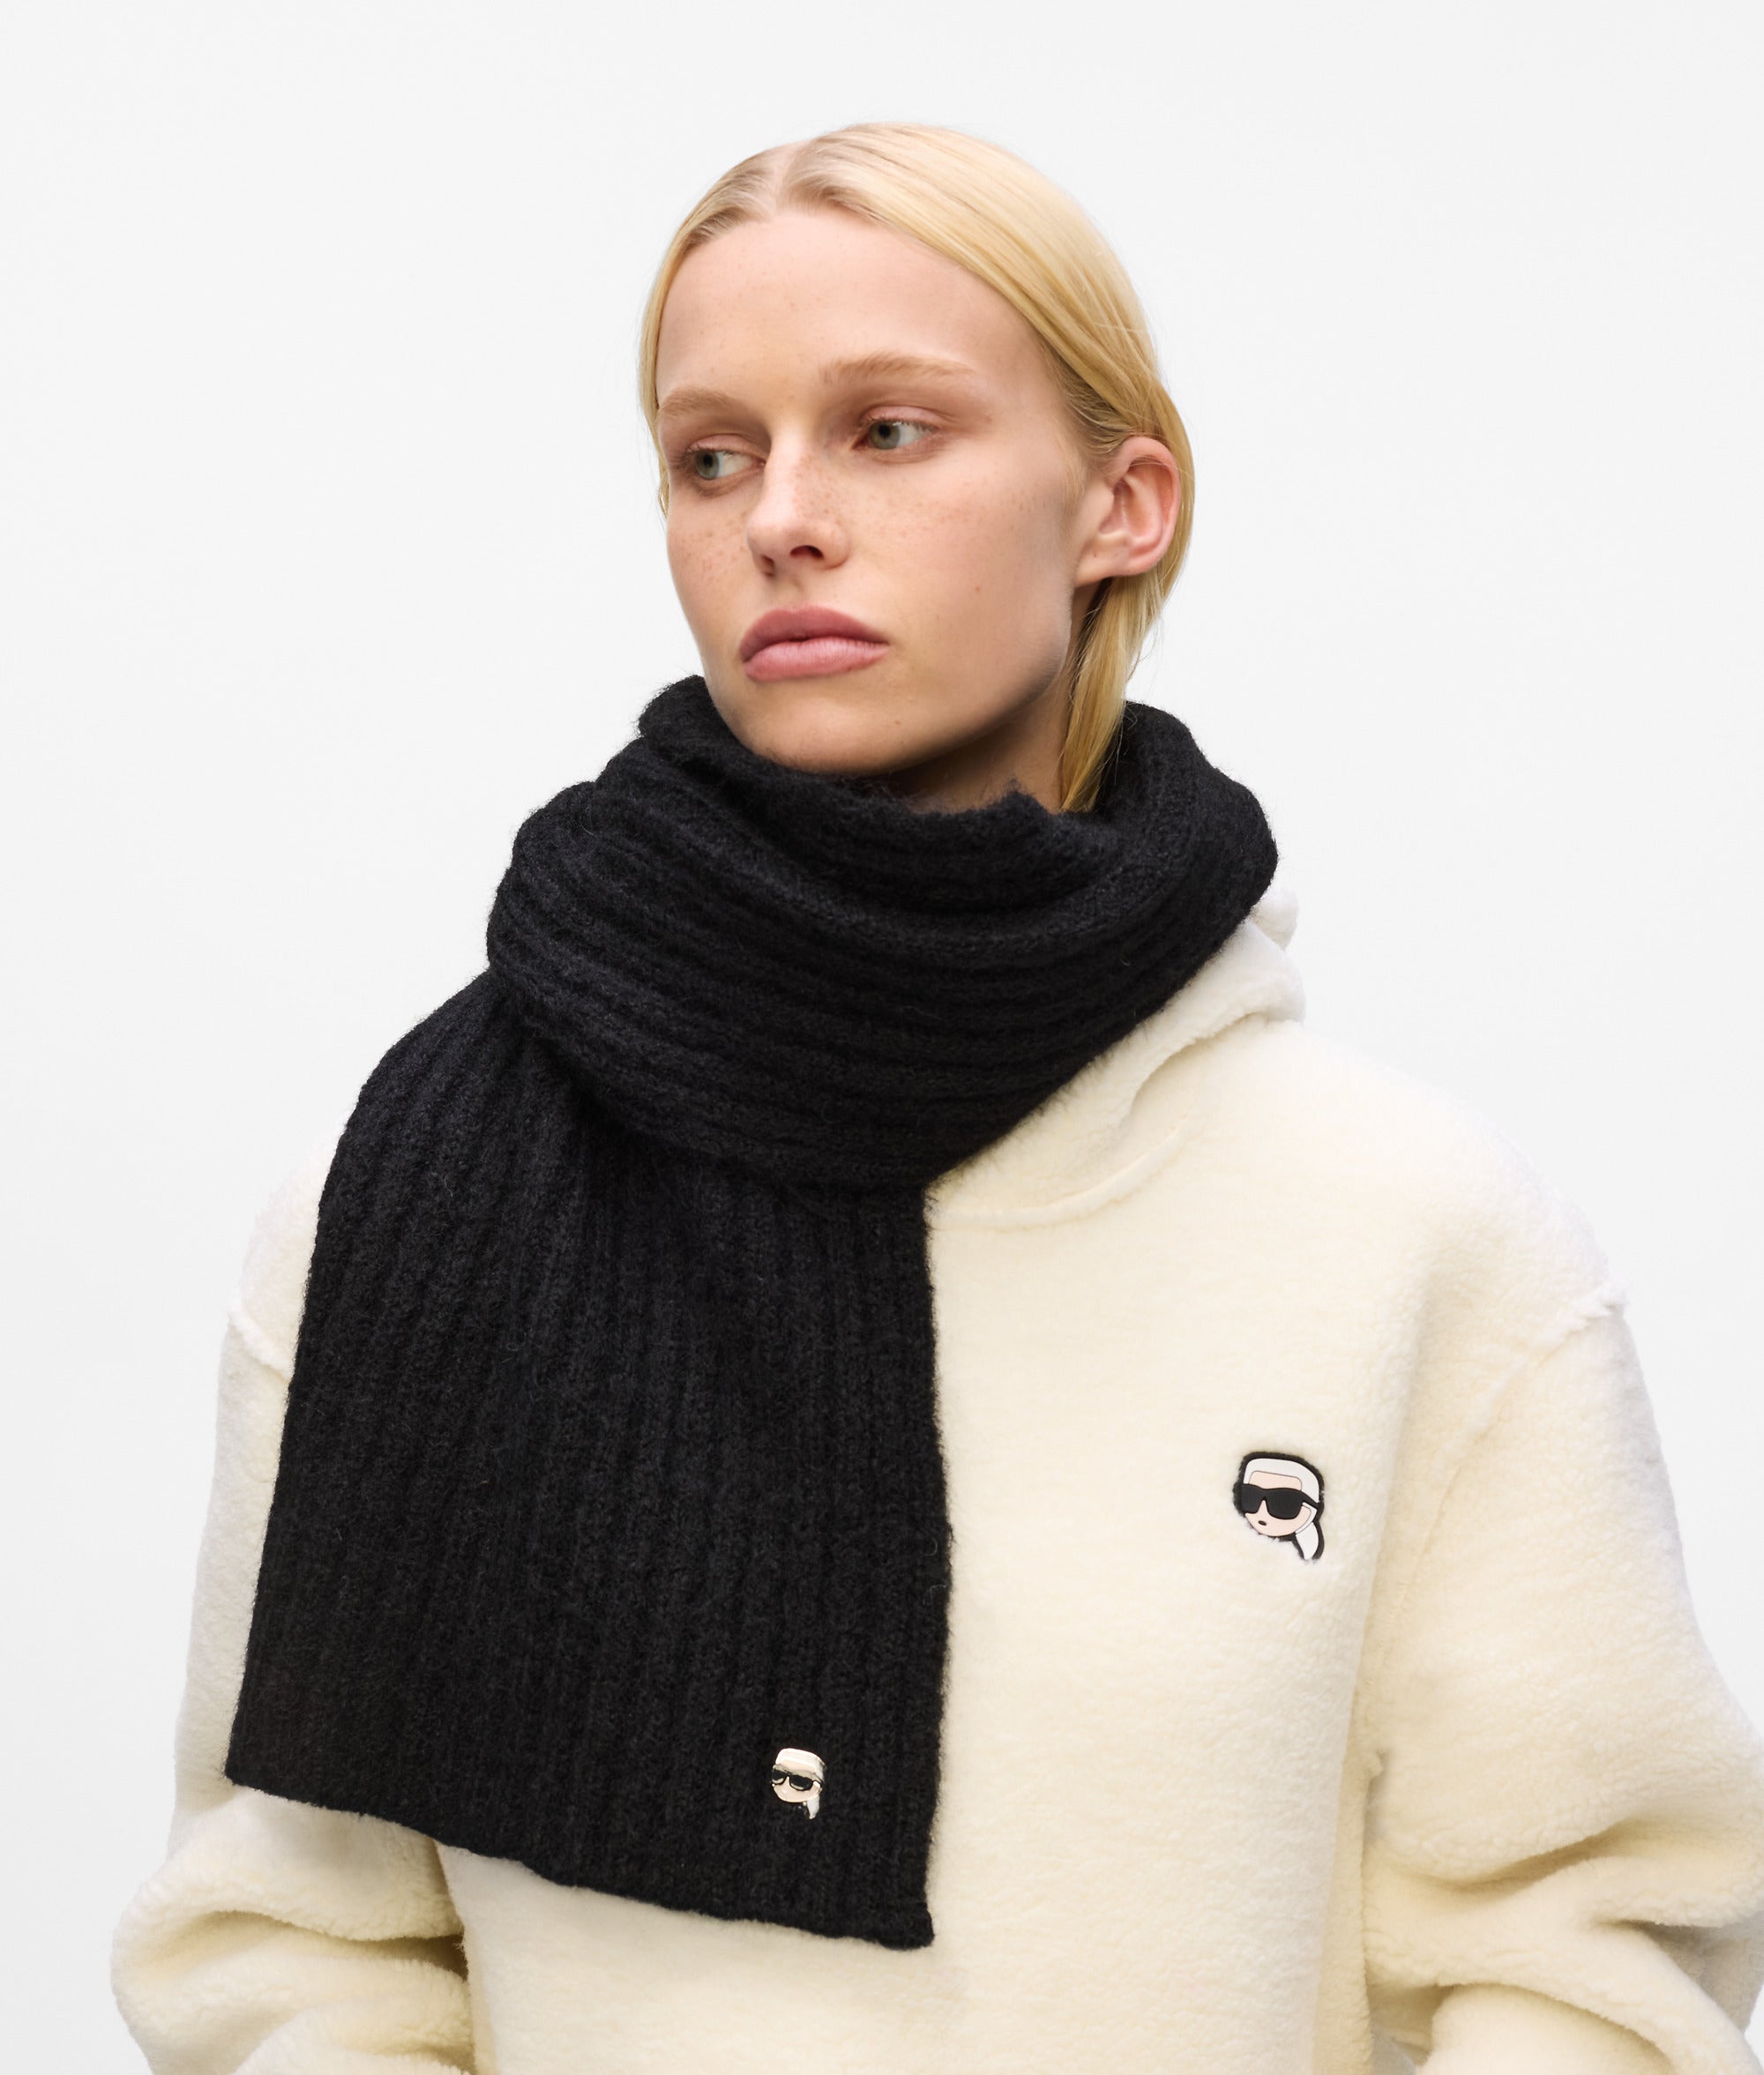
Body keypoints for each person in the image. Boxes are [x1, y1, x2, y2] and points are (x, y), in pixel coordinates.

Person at [112, 122, 1764, 2074]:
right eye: (710, 456)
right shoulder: (414, 1201)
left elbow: (1586, 1958)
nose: (782, 519)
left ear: (1121, 504)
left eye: (887, 431)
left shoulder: (1409, 1232)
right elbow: (290, 1948)